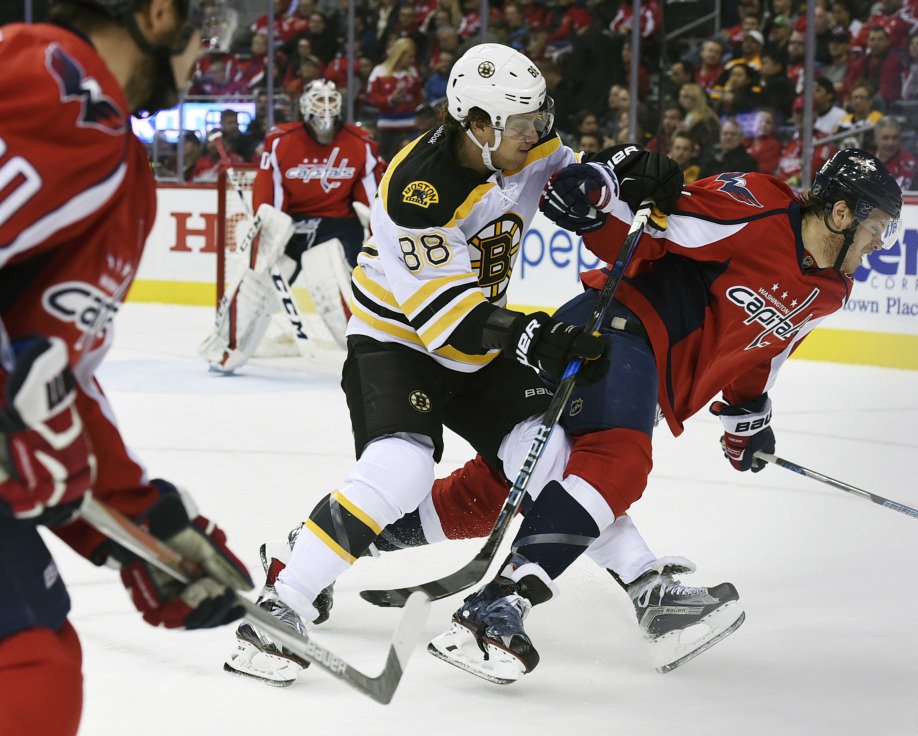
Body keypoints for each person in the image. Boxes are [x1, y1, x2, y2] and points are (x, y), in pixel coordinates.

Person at [223, 43, 735, 687]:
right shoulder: (415, 190)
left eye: (538, 119)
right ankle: (282, 603)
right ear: (478, 126)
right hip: (398, 343)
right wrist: (534, 337)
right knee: (404, 468)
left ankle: (649, 589)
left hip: (480, 343)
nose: (538, 134)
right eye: (523, 125)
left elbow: (580, 179)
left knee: (548, 459)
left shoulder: (524, 144)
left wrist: (624, 176)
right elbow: (445, 321)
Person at [426, 146, 903, 684]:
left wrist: (747, 418)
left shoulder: (831, 291)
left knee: (495, 491)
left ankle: (338, 540)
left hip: (650, 374)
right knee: (616, 462)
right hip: (616, 328)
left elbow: (766, 348)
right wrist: (599, 207)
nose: (877, 244)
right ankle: (500, 603)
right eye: (877, 227)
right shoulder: (761, 212)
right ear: (842, 213)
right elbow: (657, 228)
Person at [0, 2, 253, 734]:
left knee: (37, 659)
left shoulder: (119, 161)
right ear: (158, 13)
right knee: (27, 666)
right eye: (203, 25)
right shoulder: (49, 76)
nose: (205, 48)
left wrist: (138, 524)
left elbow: (51, 369)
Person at [199, 80, 383, 372]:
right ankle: (227, 349)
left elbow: (373, 198)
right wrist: (267, 223)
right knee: (253, 283)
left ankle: (369, 357)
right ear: (305, 106)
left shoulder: (361, 143)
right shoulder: (282, 139)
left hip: (337, 227)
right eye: (318, 102)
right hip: (290, 226)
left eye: (329, 102)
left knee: (332, 290)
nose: (324, 110)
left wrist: (375, 235)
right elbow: (269, 191)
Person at [874, 116, 918, 191]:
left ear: (900, 140)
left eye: (895, 138)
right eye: (885, 138)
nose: (890, 143)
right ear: (876, 139)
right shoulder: (865, 159)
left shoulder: (908, 163)